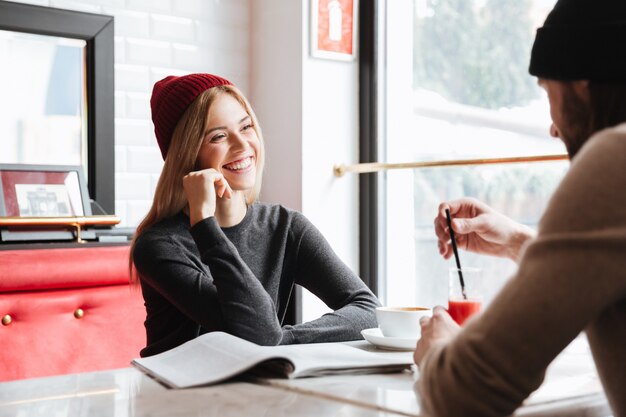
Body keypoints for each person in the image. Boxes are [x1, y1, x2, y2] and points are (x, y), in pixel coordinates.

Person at [414, 0, 626, 416]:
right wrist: (516, 241)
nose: (553, 126)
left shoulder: (614, 160)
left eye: (549, 90)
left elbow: (464, 394)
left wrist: (439, 347)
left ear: (582, 80)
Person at [130, 73, 379, 357]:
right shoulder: (158, 245)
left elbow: (368, 311)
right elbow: (257, 331)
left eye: (246, 127)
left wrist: (282, 339)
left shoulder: (285, 227)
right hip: (177, 394)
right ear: (187, 156)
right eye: (219, 136)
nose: (242, 145)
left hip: (254, 391)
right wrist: (204, 223)